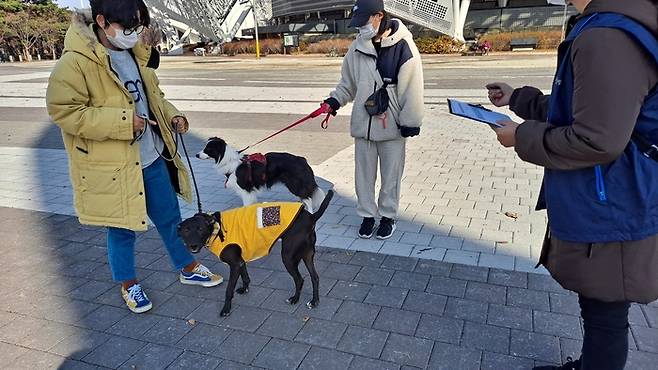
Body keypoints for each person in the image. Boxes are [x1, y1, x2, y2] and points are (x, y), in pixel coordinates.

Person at [487, 0, 658, 369]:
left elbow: (597, 139)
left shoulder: (606, 37)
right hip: (616, 198)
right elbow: (586, 108)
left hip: (612, 206)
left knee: (606, 315)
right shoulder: (608, 25)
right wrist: (520, 99)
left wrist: (522, 137)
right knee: (601, 309)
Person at [46, 0, 223, 314]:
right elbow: (65, 112)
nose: (135, 33)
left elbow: (153, 98)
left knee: (170, 219)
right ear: (101, 21)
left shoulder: (133, 53)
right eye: (129, 27)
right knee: (122, 228)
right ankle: (129, 285)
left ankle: (187, 266)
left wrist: (174, 117)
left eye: (139, 25)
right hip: (114, 165)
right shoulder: (74, 63)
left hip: (152, 155)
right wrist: (123, 122)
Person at [323, 0, 424, 240]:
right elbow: (348, 83)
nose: (360, 29)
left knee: (391, 175)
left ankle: (388, 216)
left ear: (379, 16)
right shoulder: (356, 48)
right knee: (363, 176)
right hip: (364, 125)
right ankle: (368, 216)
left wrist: (411, 121)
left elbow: (413, 88)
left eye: (363, 22)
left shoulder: (404, 46)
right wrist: (334, 101)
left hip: (392, 124)